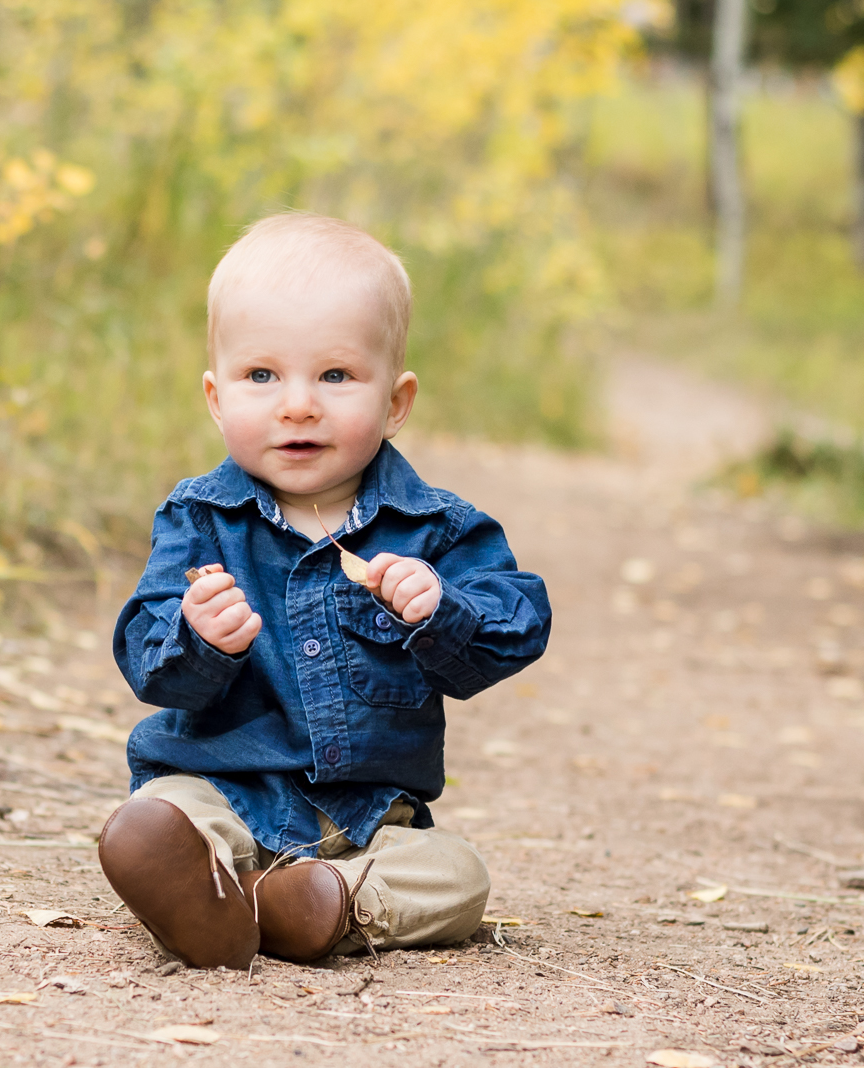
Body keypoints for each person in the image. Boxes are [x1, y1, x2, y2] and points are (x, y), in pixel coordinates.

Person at [101, 212, 551, 969]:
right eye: (262, 376)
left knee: (458, 878)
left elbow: (519, 621)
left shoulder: (436, 530)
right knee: (161, 815)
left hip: (370, 823)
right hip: (225, 792)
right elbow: (149, 662)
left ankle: (316, 904)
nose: (299, 404)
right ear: (217, 397)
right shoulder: (199, 519)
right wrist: (196, 636)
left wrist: (443, 606)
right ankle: (205, 885)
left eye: (336, 376)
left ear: (396, 402)